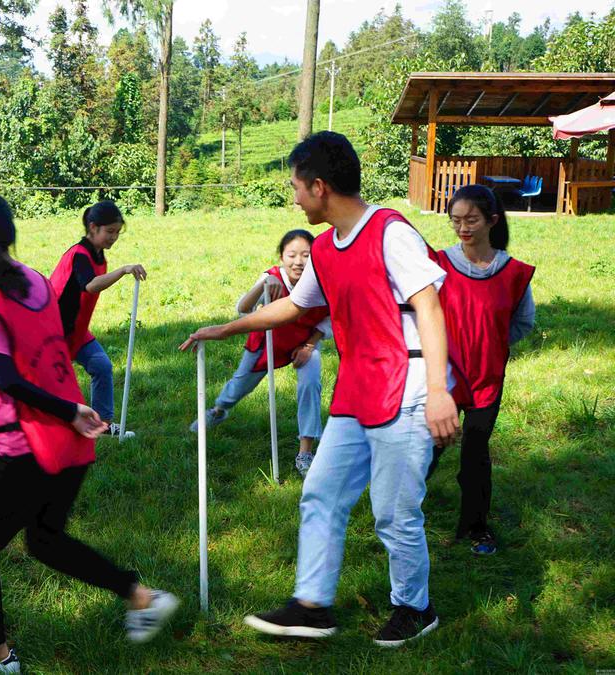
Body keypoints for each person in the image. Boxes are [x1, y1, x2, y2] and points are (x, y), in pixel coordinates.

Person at [180, 132, 460, 648]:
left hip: (410, 385)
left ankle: (415, 607)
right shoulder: (326, 249)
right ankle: (311, 606)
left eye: (295, 187)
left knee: (394, 512)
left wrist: (441, 392)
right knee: (321, 493)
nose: (293, 198)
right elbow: (294, 305)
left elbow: (429, 306)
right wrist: (225, 328)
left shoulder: (390, 232)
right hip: (358, 387)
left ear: (319, 186)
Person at [0, 191, 178, 675]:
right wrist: (73, 413)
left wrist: (68, 411)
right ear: (11, 235)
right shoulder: (36, 281)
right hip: (73, 441)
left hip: (29, 447)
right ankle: (142, 597)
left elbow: (8, 380)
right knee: (45, 540)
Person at [428, 184, 535, 556]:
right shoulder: (438, 265)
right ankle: (398, 512)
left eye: (471, 220)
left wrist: (490, 342)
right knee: (427, 448)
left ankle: (476, 528)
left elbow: (523, 322)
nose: (463, 228)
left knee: (475, 455)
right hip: (443, 378)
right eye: (456, 220)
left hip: (487, 380)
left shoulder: (513, 273)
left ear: (492, 220)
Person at [189, 229, 332, 477]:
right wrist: (263, 284)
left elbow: (329, 318)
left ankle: (305, 451)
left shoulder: (323, 283)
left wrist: (310, 346)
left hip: (303, 345)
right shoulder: (272, 278)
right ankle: (219, 410)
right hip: (266, 344)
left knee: (311, 383)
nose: (299, 262)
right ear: (281, 257)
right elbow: (243, 308)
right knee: (239, 386)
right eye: (292, 255)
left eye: (306, 255)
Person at [48, 200, 146, 438]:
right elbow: (90, 285)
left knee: (101, 366)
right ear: (93, 227)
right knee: (37, 384)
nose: (114, 237)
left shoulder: (99, 255)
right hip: (53, 332)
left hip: (77, 331)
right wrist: (123, 270)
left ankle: (102, 425)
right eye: (110, 231)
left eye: (118, 232)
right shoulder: (80, 254)